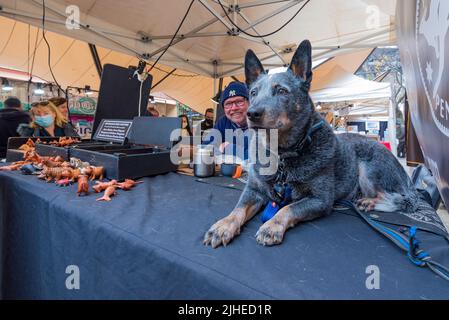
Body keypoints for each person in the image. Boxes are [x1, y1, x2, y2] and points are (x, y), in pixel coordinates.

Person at [204, 81, 250, 160]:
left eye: (239, 102)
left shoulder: (261, 123)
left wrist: (227, 147)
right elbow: (206, 148)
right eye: (228, 104)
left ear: (249, 103)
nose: (234, 108)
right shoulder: (223, 122)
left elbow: (262, 158)